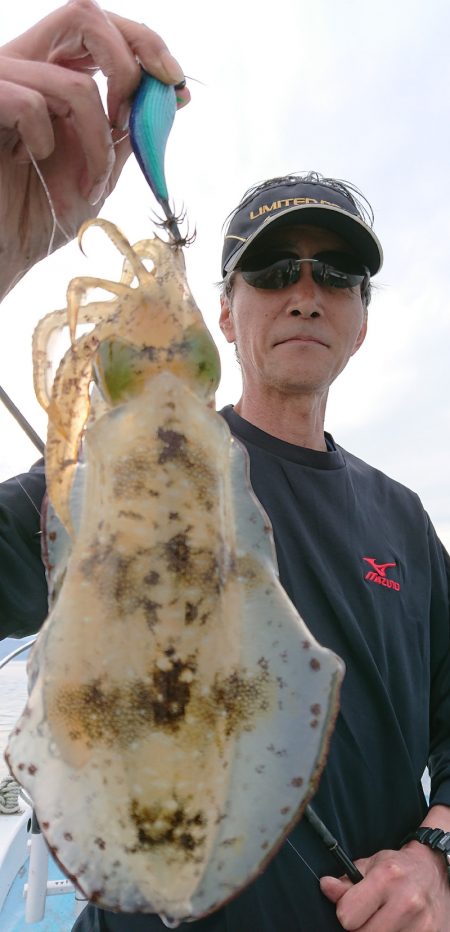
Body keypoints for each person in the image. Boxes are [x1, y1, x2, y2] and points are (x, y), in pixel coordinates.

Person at [1, 4, 450, 931]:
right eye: (274, 267)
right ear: (225, 307)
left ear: (363, 319)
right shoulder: (119, 480)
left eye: (336, 276)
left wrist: (434, 854)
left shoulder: (404, 517)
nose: (304, 292)